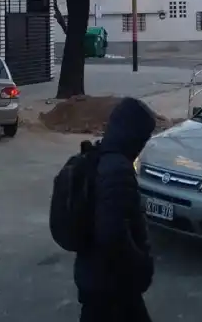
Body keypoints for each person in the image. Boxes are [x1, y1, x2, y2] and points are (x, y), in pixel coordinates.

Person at [75, 97, 156, 321]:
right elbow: (112, 235)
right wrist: (141, 265)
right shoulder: (117, 171)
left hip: (96, 279)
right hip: (113, 285)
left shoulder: (98, 157)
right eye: (143, 137)